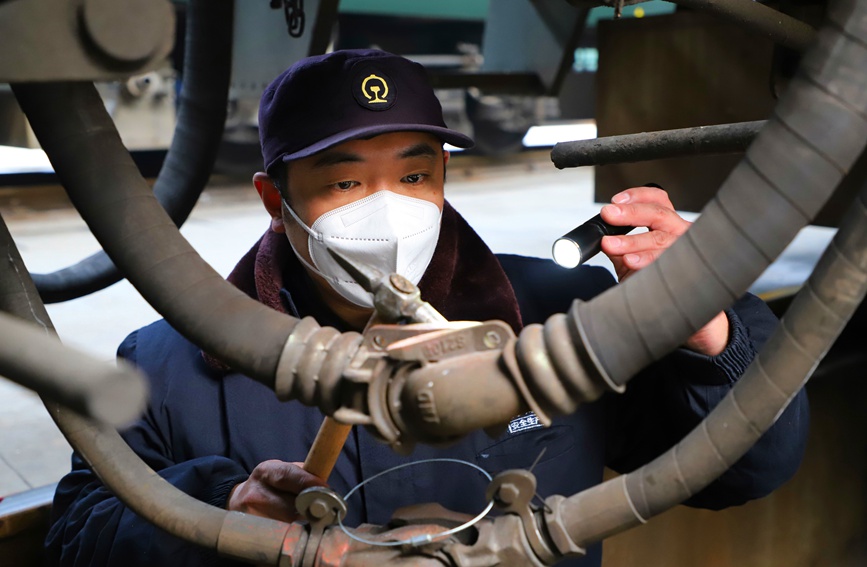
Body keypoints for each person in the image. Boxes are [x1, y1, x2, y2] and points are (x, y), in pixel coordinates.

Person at [45, 49, 808, 567]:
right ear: (276, 201)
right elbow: (76, 531)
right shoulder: (170, 360)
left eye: (413, 177)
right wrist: (217, 510)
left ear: (444, 178)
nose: (387, 210)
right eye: (344, 183)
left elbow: (744, 470)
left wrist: (709, 326)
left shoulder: (559, 313)